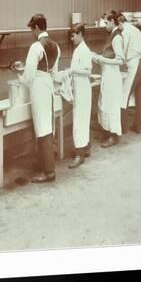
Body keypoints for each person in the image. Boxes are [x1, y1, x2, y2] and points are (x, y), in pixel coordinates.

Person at [17, 14, 61, 183]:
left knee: (43, 129)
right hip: (48, 85)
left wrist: (18, 73)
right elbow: (55, 73)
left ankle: (49, 172)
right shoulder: (56, 46)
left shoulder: (36, 47)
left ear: (36, 28)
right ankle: (43, 163)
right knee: (47, 126)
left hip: (38, 87)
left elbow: (28, 77)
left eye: (31, 29)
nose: (31, 32)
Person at [92, 12, 125, 147]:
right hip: (107, 74)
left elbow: (120, 60)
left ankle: (113, 136)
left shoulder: (117, 38)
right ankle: (107, 132)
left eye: (106, 23)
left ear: (112, 21)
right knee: (104, 104)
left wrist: (101, 59)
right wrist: (97, 57)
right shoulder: (111, 36)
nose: (105, 26)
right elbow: (108, 56)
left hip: (112, 75)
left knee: (111, 106)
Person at [116, 13, 141, 133]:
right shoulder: (136, 29)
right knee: (139, 97)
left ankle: (123, 128)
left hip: (135, 65)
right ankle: (138, 126)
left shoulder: (124, 32)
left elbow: (122, 54)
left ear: (120, 23)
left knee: (124, 97)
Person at [67, 23, 93, 168]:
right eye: (71, 36)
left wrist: (72, 70)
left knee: (79, 120)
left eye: (74, 35)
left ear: (81, 34)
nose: (72, 38)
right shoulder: (78, 49)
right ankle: (85, 148)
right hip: (79, 87)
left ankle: (80, 155)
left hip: (83, 87)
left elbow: (88, 71)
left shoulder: (84, 50)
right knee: (81, 119)